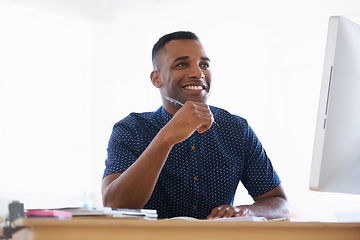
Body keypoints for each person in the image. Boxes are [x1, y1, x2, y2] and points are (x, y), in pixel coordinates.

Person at [101, 31, 290, 220]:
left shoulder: (237, 129)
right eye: (182, 64)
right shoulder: (131, 129)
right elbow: (115, 205)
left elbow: (280, 205)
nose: (198, 73)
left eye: (204, 65)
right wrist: (166, 137)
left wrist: (246, 212)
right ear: (156, 79)